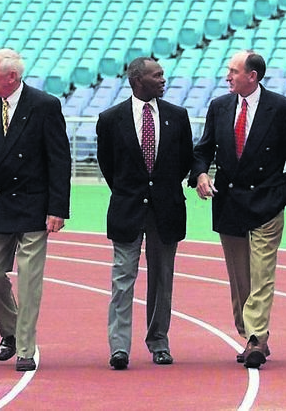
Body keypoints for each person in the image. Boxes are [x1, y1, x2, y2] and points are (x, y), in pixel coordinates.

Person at [190, 51, 286, 369]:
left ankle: (256, 336)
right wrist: (200, 174)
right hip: (229, 201)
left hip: (267, 202)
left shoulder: (282, 109)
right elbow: (203, 149)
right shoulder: (219, 107)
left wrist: (284, 195)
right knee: (240, 278)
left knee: (262, 274)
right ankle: (249, 334)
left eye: (233, 71)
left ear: (252, 76)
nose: (228, 76)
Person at [0, 49, 71, 372]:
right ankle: (11, 331)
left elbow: (59, 159)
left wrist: (58, 208)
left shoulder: (44, 105)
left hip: (33, 206)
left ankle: (25, 348)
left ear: (11, 76)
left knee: (28, 281)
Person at [96, 57, 193, 370]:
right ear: (138, 80)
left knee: (162, 280)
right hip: (127, 209)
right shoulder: (111, 119)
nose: (163, 79)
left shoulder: (177, 116)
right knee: (123, 279)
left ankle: (159, 341)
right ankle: (119, 347)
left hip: (166, 209)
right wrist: (131, 191)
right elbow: (108, 165)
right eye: (157, 75)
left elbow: (184, 161)